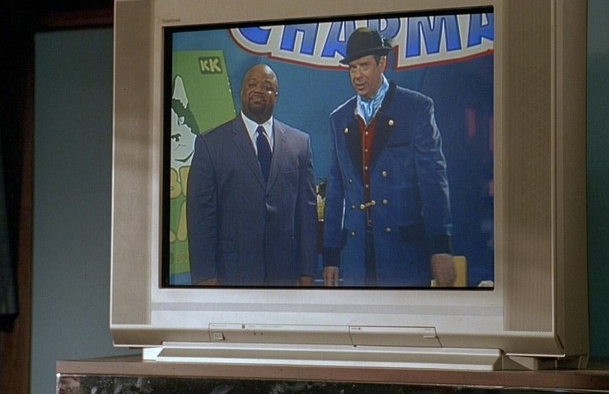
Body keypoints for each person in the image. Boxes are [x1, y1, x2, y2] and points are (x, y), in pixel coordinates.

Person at [322, 27, 456, 287]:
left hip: (404, 254)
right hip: (356, 255)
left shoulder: (416, 109)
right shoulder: (339, 119)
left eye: (364, 66)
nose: (357, 76)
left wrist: (441, 246)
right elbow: (336, 190)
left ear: (382, 63)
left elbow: (433, 181)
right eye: (352, 68)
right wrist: (331, 255)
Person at [187, 63, 317, 286]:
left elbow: (306, 215)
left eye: (267, 86)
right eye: (252, 84)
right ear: (241, 91)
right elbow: (200, 217)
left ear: (276, 95)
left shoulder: (300, 144)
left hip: (284, 275)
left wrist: (307, 272)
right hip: (231, 274)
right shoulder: (211, 144)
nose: (259, 90)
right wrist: (205, 276)